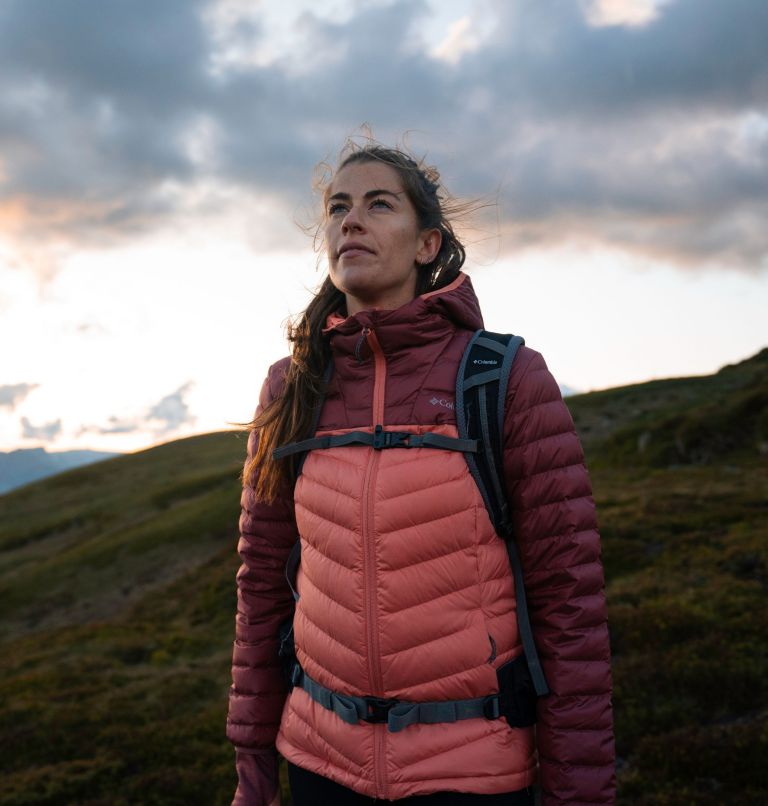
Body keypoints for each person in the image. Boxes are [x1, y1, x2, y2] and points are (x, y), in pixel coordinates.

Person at [227, 142, 616, 805]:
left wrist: (579, 791)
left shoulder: (506, 379)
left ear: (427, 243)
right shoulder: (289, 388)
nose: (351, 221)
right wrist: (253, 762)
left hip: (471, 773)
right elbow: (261, 588)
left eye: (379, 203)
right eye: (338, 207)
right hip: (321, 765)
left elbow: (569, 604)